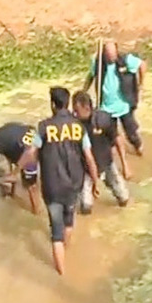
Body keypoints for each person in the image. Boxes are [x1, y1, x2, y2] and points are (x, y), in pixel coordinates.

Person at [22, 87, 100, 275]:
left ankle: (61, 274)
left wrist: (18, 170)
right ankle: (67, 251)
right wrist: (96, 182)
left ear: (52, 104)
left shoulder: (42, 127)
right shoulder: (79, 127)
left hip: (52, 186)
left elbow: (31, 153)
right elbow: (89, 157)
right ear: (67, 104)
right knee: (69, 222)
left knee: (55, 232)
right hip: (74, 185)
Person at [82, 41, 146, 155]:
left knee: (131, 133)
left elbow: (142, 65)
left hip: (124, 105)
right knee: (110, 137)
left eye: (113, 54)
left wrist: (141, 84)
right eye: (108, 55)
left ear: (117, 52)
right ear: (104, 54)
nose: (111, 57)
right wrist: (84, 90)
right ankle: (113, 156)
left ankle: (138, 146)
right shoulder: (98, 63)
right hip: (106, 107)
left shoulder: (125, 60)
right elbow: (91, 76)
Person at [73, 91, 130, 213]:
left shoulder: (104, 119)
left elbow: (117, 139)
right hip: (85, 168)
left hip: (106, 163)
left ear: (87, 108)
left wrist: (125, 165)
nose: (75, 114)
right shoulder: (74, 125)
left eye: (77, 111)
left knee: (124, 199)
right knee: (86, 207)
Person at [0, 122, 41, 214]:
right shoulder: (32, 154)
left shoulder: (39, 138)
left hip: (11, 137)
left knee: (28, 180)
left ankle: (12, 192)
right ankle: (7, 203)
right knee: (7, 182)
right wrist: (37, 213)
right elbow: (32, 187)